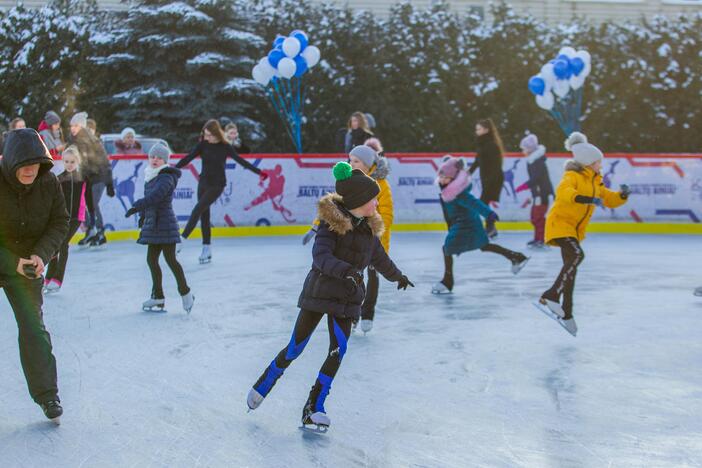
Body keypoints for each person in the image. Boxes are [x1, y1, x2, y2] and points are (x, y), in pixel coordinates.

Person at [246, 162, 414, 431]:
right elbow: (321, 257)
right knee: (295, 348)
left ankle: (313, 407)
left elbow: (380, 258)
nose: (376, 203)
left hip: (347, 299)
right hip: (320, 292)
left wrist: (398, 277)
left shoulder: (370, 229)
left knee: (339, 350)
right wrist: (346, 271)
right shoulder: (331, 224)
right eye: (373, 199)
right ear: (359, 201)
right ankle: (263, 385)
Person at [0, 129, 69, 423]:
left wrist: (41, 255)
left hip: (28, 263)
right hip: (9, 258)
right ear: (11, 161)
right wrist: (11, 261)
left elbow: (59, 221)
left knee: (33, 328)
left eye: (36, 163)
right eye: (24, 164)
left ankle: (47, 395)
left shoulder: (48, 182)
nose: (31, 169)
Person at [539, 132, 630, 336]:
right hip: (560, 224)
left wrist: (622, 195)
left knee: (571, 270)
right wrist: (583, 199)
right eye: (598, 162)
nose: (601, 165)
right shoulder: (572, 175)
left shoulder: (596, 180)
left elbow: (608, 198)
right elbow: (564, 193)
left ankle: (567, 313)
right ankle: (551, 294)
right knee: (578, 256)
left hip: (573, 229)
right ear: (588, 162)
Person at [432, 156, 529, 295]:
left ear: (453, 179)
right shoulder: (447, 192)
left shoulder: (458, 194)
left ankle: (447, 282)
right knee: (484, 246)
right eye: (440, 176)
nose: (442, 180)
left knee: (447, 248)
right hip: (465, 225)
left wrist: (489, 214)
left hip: (466, 226)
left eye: (445, 177)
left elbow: (475, 203)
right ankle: (517, 257)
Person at [175, 119, 266, 264]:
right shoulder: (203, 144)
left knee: (198, 209)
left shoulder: (225, 146)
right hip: (203, 183)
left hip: (217, 185)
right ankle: (207, 250)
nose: (207, 138)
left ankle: (181, 239)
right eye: (205, 135)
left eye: (209, 135)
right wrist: (173, 169)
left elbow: (241, 161)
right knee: (204, 216)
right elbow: (188, 158)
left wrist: (259, 172)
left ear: (217, 134)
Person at [125, 144, 195, 314]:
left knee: (170, 259)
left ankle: (186, 293)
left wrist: (137, 206)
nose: (155, 160)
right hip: (154, 224)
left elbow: (156, 196)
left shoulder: (166, 177)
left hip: (165, 224)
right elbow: (150, 201)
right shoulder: (150, 175)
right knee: (151, 260)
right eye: (152, 157)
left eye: (159, 157)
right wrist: (143, 216)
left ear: (165, 160)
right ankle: (158, 296)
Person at [346, 144, 393, 334]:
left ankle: (367, 313)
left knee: (373, 276)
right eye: (350, 160)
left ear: (366, 164)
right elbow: (336, 204)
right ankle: (354, 314)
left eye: (355, 161)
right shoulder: (349, 181)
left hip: (376, 242)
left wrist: (372, 230)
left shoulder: (381, 184)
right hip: (354, 242)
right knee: (355, 276)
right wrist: (317, 225)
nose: (351, 164)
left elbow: (387, 214)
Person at [44, 146, 87, 293]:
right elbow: (53, 201)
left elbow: (87, 200)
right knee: (56, 245)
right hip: (61, 218)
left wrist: (87, 220)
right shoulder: (59, 179)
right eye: (67, 161)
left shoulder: (82, 179)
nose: (69, 164)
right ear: (63, 161)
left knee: (63, 244)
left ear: (77, 162)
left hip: (76, 218)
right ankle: (49, 277)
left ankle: (57, 279)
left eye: (72, 162)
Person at [68, 112, 115, 248]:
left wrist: (110, 183)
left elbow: (105, 162)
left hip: (98, 177)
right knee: (85, 205)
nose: (72, 128)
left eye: (76, 125)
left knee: (92, 204)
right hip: (85, 178)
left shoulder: (93, 140)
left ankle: (99, 232)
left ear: (82, 126)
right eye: (71, 125)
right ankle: (91, 230)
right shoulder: (73, 140)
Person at [469, 118, 504, 239]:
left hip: (493, 179)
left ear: (486, 130)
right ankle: (490, 228)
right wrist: (468, 173)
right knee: (483, 203)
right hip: (487, 179)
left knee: (482, 203)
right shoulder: (482, 144)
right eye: (476, 129)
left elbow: (496, 166)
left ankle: (490, 227)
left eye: (479, 129)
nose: (476, 131)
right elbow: (477, 161)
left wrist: (490, 181)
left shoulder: (491, 145)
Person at [520, 133, 553, 249]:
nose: (523, 151)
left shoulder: (537, 161)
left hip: (541, 195)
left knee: (538, 217)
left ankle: (542, 239)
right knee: (535, 217)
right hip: (538, 195)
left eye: (524, 148)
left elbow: (537, 179)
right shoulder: (533, 161)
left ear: (530, 149)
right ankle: (538, 238)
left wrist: (524, 186)